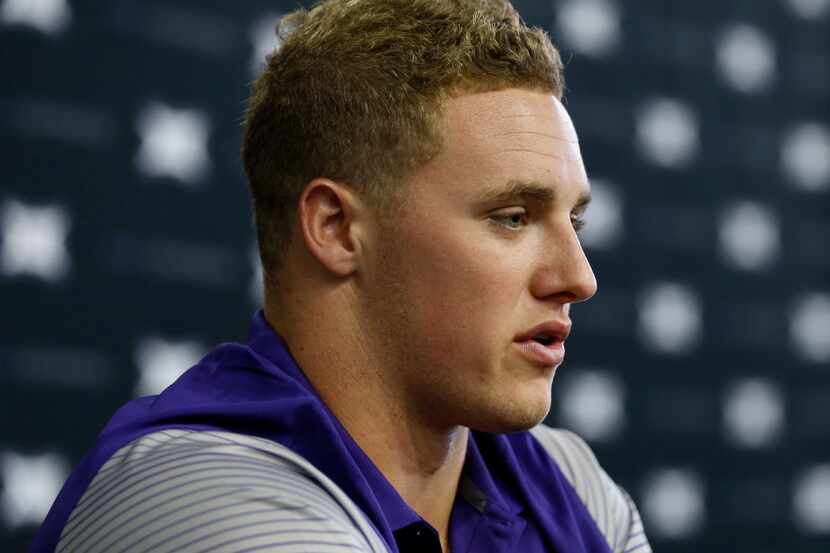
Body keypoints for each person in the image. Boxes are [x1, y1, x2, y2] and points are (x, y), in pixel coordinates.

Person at [31, 1, 651, 552]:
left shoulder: (573, 486)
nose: (578, 277)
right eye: (513, 217)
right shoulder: (191, 496)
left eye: (575, 221)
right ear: (335, 228)